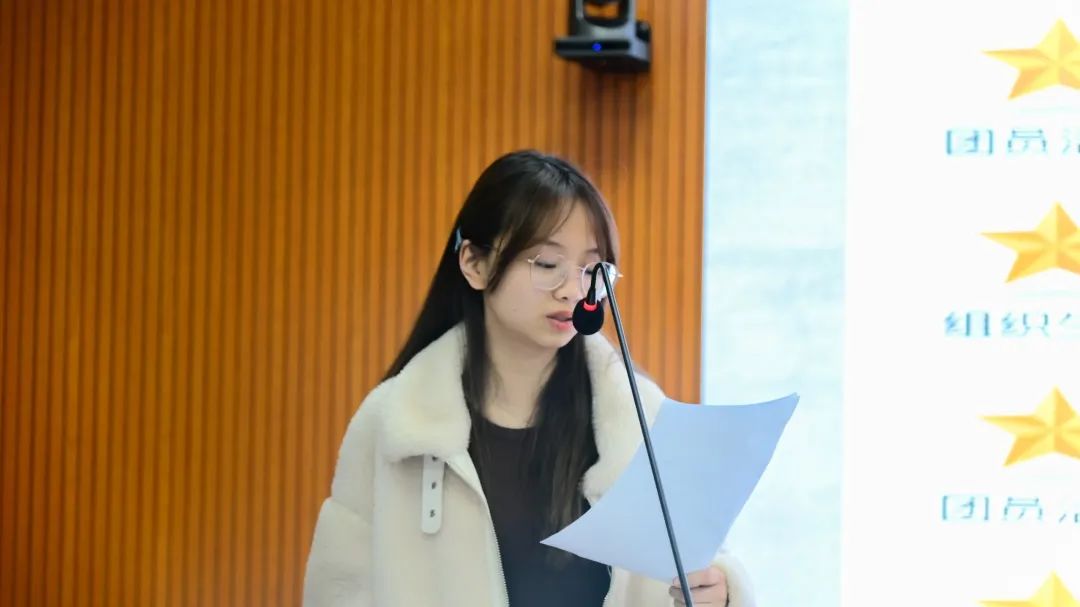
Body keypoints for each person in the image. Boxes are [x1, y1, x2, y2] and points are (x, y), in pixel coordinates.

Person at [303, 150, 754, 606]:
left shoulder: (640, 418)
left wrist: (720, 592)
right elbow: (339, 591)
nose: (573, 291)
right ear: (474, 264)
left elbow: (704, 565)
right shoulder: (395, 423)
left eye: (591, 270)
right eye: (547, 264)